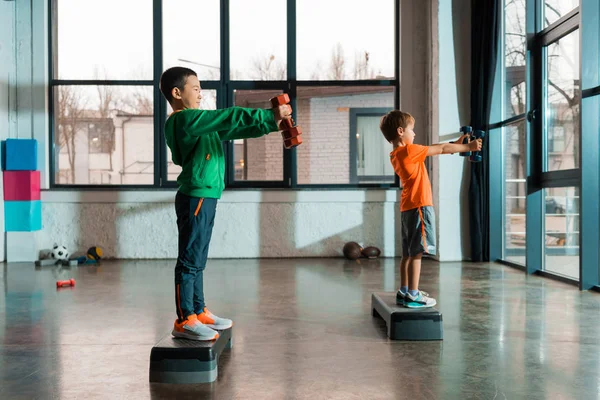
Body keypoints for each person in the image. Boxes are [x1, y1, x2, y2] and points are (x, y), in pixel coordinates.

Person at [159, 66, 292, 340]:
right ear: (176, 92)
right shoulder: (183, 121)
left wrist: (270, 123)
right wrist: (269, 113)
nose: (200, 94)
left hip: (207, 194)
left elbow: (233, 126)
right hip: (195, 195)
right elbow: (227, 115)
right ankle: (185, 320)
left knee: (198, 258)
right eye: (195, 88)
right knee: (189, 259)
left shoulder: (200, 126)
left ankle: (199, 310)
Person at [380, 110, 482, 308]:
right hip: (420, 206)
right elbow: (441, 149)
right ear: (401, 131)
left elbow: (435, 148)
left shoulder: (398, 153)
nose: (415, 133)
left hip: (407, 206)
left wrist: (457, 143)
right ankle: (413, 294)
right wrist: (469, 146)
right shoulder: (410, 151)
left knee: (408, 254)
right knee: (417, 253)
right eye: (412, 130)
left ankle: (404, 291)